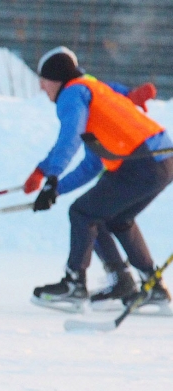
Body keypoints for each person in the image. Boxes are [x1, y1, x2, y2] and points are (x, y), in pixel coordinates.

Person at [25, 47, 172, 313]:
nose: (42, 87)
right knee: (112, 218)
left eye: (43, 80)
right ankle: (149, 287)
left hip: (142, 161)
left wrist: (48, 172)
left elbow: (70, 137)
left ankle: (75, 284)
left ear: (57, 79)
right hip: (161, 160)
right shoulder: (93, 94)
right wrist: (56, 189)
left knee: (83, 213)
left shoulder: (72, 95)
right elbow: (92, 165)